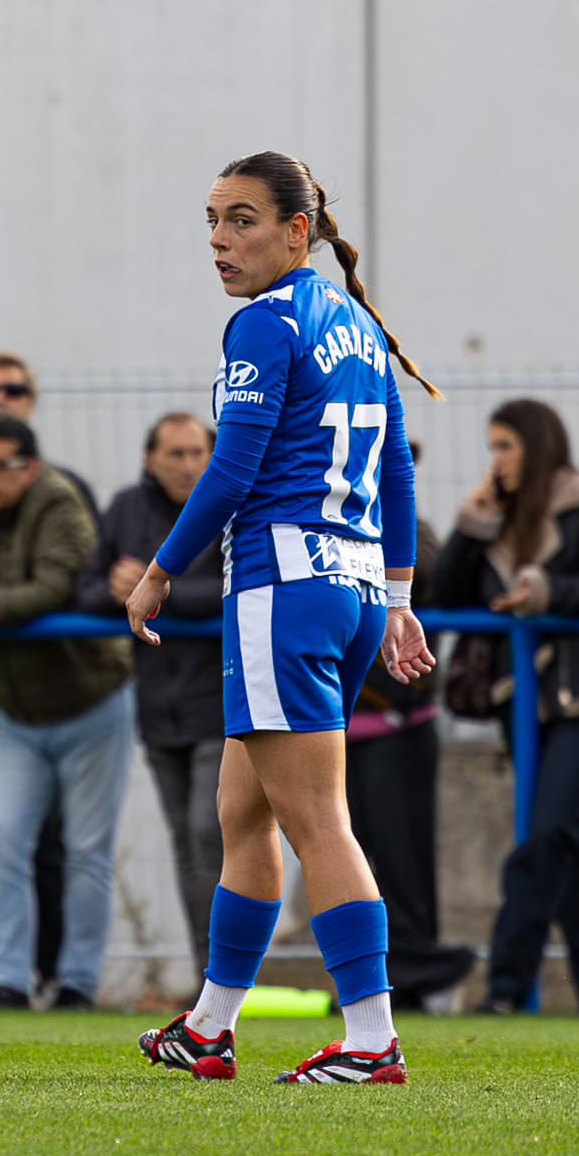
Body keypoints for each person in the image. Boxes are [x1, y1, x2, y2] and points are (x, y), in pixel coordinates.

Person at [126, 151, 437, 1084]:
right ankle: (211, 1026)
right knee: (242, 810)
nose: (221, 241)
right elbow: (398, 475)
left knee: (314, 818)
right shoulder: (356, 321)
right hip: (343, 591)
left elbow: (231, 470)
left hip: (283, 587)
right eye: (213, 220)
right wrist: (398, 600)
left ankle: (372, 1035)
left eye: (244, 220)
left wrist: (157, 571)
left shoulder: (265, 323)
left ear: (297, 231)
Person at [0, 414, 134, 1009]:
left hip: (91, 703)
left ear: (29, 468)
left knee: (87, 848)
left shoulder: (59, 501)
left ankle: (77, 985)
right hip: (17, 711)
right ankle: (10, 981)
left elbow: (52, 590)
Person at [434, 398, 579, 1016]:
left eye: (507, 446)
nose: (496, 459)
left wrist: (547, 592)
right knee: (568, 844)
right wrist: (473, 527)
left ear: (538, 445)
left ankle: (505, 983)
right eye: (492, 446)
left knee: (546, 830)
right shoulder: (495, 515)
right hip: (517, 700)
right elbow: (446, 597)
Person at [77, 411, 224, 986]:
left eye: (198, 453)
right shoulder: (125, 510)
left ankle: (227, 975)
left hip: (223, 698)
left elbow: (238, 587)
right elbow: (85, 587)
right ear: (149, 460)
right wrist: (117, 591)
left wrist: (157, 586)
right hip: (158, 703)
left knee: (209, 834)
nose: (189, 465)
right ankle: (209, 976)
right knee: (187, 846)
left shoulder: (230, 504)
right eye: (176, 454)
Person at [343, 483, 476, 1011]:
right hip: (337, 725)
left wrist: (471, 529)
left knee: (402, 862)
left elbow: (438, 580)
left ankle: (416, 973)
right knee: (354, 858)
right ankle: (392, 974)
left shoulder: (400, 519)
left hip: (397, 724)